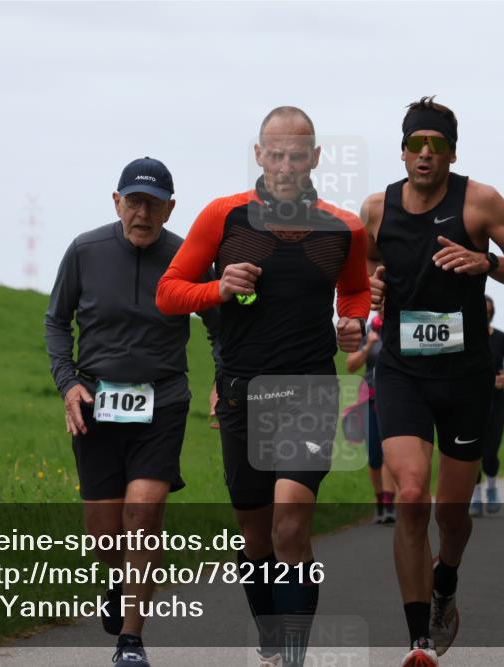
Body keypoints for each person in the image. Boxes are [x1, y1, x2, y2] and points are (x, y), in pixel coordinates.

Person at [156, 106, 370, 667]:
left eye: (297, 156)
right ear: (258, 154)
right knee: (254, 538)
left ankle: (294, 654)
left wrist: (353, 324)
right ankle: (272, 642)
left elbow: (353, 293)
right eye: (274, 154)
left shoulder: (344, 227)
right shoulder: (222, 218)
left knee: (290, 523)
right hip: (240, 392)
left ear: (315, 159)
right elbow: (169, 292)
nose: (284, 166)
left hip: (306, 390)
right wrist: (218, 289)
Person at [363, 96, 504, 665]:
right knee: (412, 494)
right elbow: (364, 267)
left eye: (436, 145)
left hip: (465, 379)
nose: (425, 153)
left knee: (451, 515)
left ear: (452, 152)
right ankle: (419, 638)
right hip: (401, 372)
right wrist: (371, 287)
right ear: (402, 150)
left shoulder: (480, 202)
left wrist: (486, 263)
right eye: (416, 143)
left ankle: (447, 581)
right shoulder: (376, 208)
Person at [45, 157, 218, 667]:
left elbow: (217, 323)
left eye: (153, 204)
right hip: (97, 403)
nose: (142, 213)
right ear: (116, 202)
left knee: (142, 513)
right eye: (133, 201)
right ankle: (120, 581)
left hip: (162, 401)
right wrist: (68, 384)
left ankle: (131, 640)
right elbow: (57, 322)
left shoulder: (188, 255)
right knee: (104, 534)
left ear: (169, 208)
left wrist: (222, 382)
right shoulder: (85, 250)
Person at [469, 295, 504, 516]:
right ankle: (475, 496)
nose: (485, 314)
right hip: (470, 400)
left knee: (490, 452)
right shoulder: (465, 336)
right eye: (481, 310)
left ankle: (491, 488)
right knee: (473, 451)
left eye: (488, 311)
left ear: (492, 313)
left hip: (496, 400)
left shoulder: (501, 338)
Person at [346, 313, 397, 524]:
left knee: (388, 454)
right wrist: (368, 347)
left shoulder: (398, 328)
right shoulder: (368, 332)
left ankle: (389, 505)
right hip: (370, 400)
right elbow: (350, 366)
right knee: (374, 456)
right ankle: (379, 502)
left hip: (394, 399)